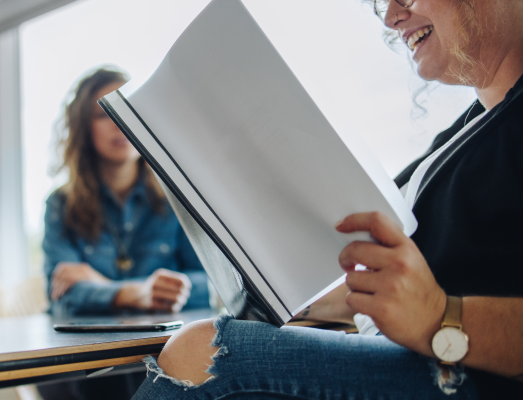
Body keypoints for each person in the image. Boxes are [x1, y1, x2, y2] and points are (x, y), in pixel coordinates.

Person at [132, 0, 523, 399]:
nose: (391, 16)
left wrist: (440, 318)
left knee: (201, 353)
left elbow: (432, 305)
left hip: (466, 379)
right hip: (413, 355)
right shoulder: (460, 136)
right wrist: (306, 297)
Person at [37, 68, 210, 400]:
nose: (118, 121)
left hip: (164, 356)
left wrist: (104, 286)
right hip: (85, 368)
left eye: (127, 108)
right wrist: (135, 292)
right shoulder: (61, 204)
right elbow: (60, 291)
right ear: (83, 128)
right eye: (103, 113)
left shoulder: (174, 198)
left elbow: (210, 283)